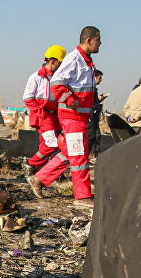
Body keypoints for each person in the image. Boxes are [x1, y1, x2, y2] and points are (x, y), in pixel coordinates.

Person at [29, 25, 101, 201]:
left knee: (71, 153)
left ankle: (38, 179)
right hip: (72, 117)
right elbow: (57, 82)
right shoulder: (74, 59)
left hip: (79, 117)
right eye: (98, 39)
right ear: (88, 40)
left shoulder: (85, 61)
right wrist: (70, 100)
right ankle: (82, 197)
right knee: (79, 156)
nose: (100, 43)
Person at [22, 44, 65, 176]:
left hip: (54, 115)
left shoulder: (58, 78)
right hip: (43, 115)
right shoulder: (36, 77)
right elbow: (28, 98)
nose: (61, 66)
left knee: (44, 145)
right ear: (52, 61)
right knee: (52, 144)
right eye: (60, 63)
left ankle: (38, 172)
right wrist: (41, 112)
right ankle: (31, 163)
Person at [87, 69, 107, 156]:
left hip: (95, 115)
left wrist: (99, 100)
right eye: (100, 77)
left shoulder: (93, 88)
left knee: (97, 135)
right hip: (91, 115)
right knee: (90, 136)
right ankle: (86, 155)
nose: (101, 80)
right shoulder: (89, 87)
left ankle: (96, 154)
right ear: (95, 77)